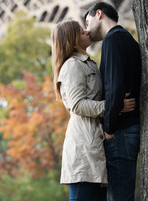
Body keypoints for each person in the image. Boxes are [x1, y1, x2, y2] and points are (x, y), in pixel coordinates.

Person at [51, 19, 136, 201]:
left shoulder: (88, 63)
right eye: (82, 32)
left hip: (94, 146)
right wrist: (114, 106)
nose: (87, 32)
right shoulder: (73, 65)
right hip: (84, 148)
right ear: (72, 39)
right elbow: (78, 105)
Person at [85, 2, 141, 201]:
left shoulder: (112, 40)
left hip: (119, 131)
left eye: (87, 21)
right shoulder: (127, 38)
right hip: (129, 128)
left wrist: (108, 130)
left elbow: (115, 87)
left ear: (98, 14)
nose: (86, 29)